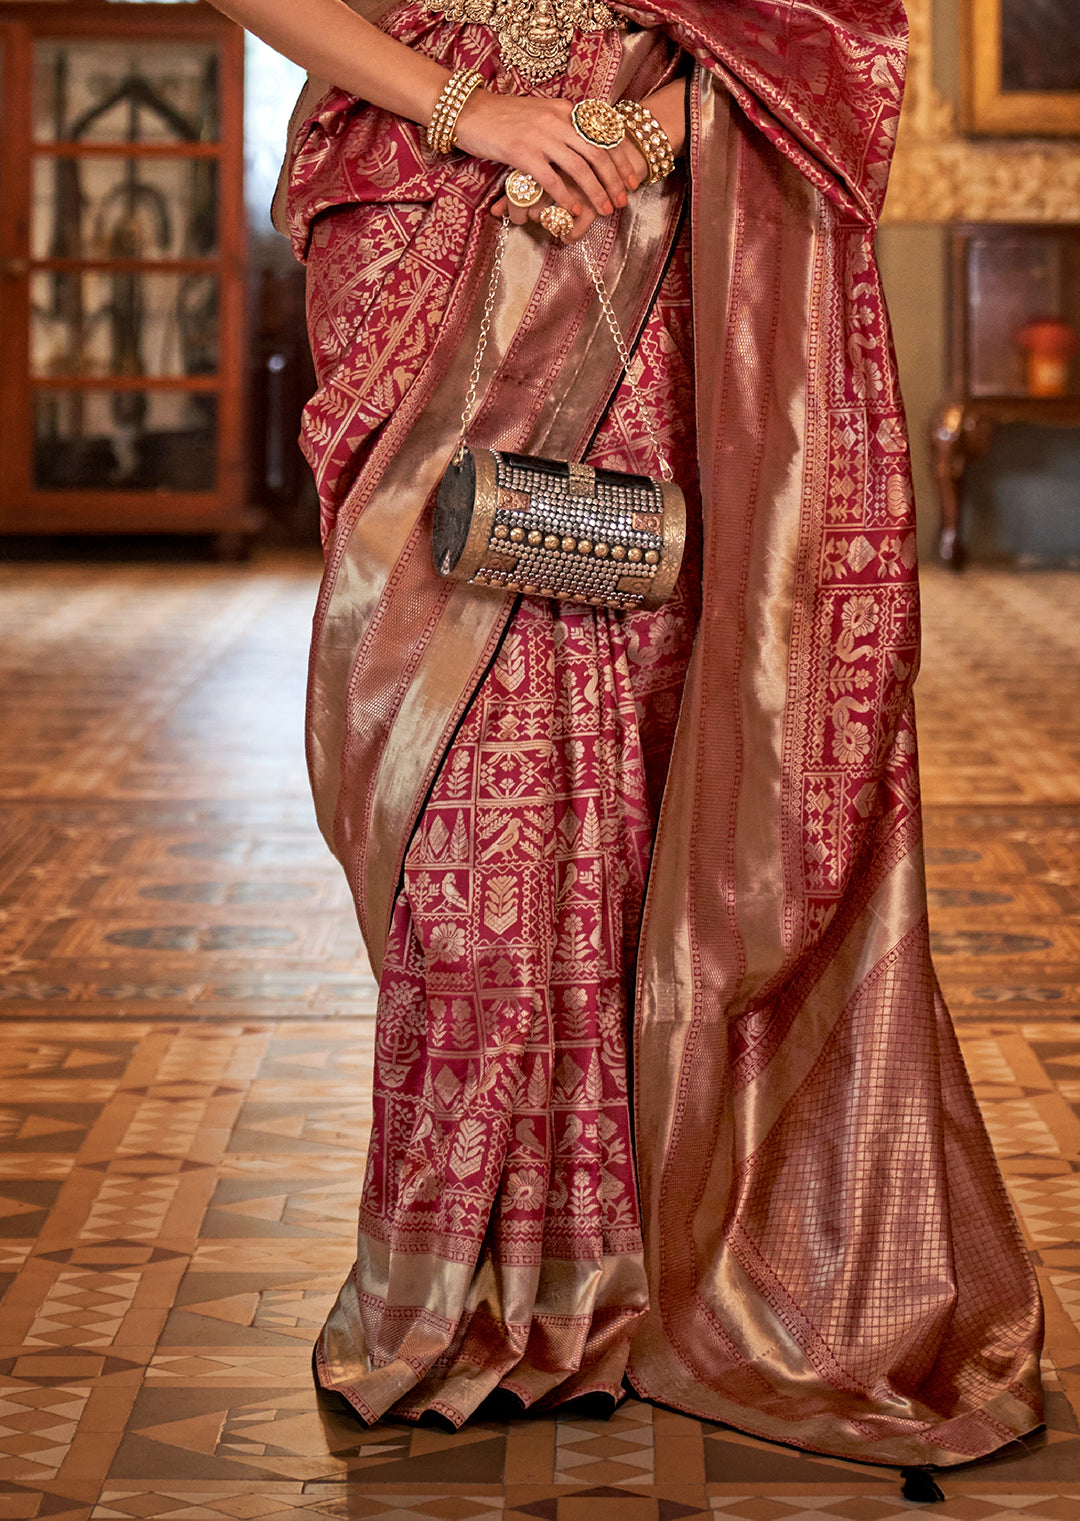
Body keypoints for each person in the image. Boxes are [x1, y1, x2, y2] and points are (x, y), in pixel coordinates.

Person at [210, 0, 1044, 1477]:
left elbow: (840, 21)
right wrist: (473, 108)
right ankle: (464, 1289)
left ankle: (620, 1280)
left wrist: (656, 124)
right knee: (459, 776)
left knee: (639, 761)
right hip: (430, 208)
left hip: (649, 218)